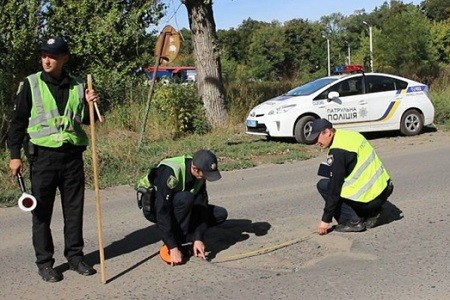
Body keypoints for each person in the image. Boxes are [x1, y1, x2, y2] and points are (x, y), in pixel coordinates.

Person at [7, 36, 99, 282]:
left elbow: (87, 121)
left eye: (53, 56)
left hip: (71, 157)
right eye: (44, 55)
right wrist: (15, 156)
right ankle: (45, 263)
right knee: (41, 214)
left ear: (64, 58)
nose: (47, 60)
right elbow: (17, 124)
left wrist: (92, 105)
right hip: (43, 158)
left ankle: (76, 258)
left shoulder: (79, 85)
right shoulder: (31, 84)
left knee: (74, 210)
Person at [137, 149, 228, 266]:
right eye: (205, 175)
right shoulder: (171, 172)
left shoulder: (199, 175)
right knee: (186, 198)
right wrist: (173, 246)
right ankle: (176, 242)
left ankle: (188, 236)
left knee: (219, 214)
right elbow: (162, 210)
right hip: (155, 208)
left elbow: (202, 206)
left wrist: (198, 237)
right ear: (195, 169)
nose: (206, 178)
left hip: (179, 205)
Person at [306, 119, 393, 235]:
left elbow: (334, 189)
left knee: (324, 185)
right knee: (334, 179)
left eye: (317, 138)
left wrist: (325, 219)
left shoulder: (337, 151)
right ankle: (371, 213)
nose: (316, 142)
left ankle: (353, 221)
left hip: (369, 198)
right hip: (384, 189)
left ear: (327, 132)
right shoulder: (350, 135)